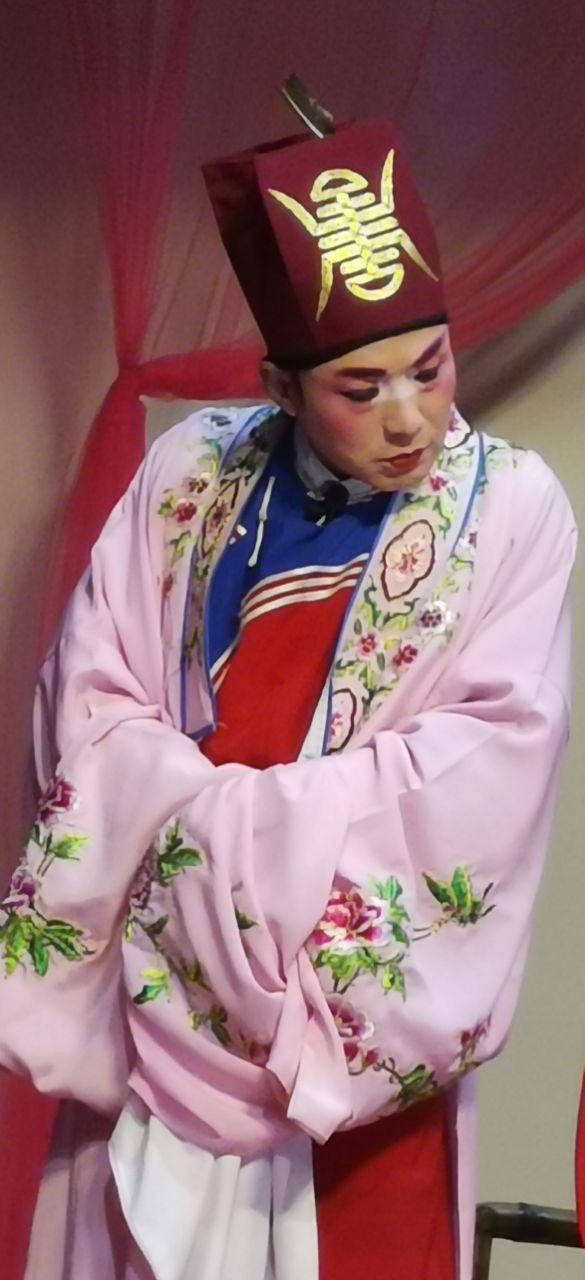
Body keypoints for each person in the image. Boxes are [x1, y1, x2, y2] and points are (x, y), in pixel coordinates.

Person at [0, 119, 576, 1280]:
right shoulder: (192, 473)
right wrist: (199, 864)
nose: (410, 415)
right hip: (157, 1015)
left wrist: (215, 837)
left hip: (343, 1061)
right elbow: (89, 697)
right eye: (361, 387)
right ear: (279, 385)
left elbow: (484, 767)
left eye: (432, 366)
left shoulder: (511, 508)